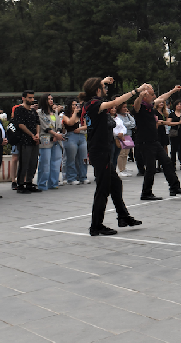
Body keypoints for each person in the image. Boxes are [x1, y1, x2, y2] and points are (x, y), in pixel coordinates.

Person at [80, 77, 145, 236]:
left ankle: (123, 217)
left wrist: (103, 80)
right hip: (100, 152)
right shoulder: (95, 104)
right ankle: (96, 226)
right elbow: (115, 102)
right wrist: (136, 91)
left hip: (100, 151)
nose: (106, 89)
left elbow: (102, 96)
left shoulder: (89, 104)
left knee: (115, 184)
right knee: (103, 189)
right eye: (103, 87)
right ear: (97, 90)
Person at [133, 84, 181, 200]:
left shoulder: (150, 106)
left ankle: (174, 187)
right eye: (152, 94)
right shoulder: (140, 108)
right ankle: (146, 193)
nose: (155, 96)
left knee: (167, 162)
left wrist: (173, 90)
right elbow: (136, 105)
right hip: (144, 142)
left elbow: (162, 97)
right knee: (151, 168)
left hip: (154, 141)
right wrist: (139, 96)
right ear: (145, 96)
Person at [13, 90, 41, 193]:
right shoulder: (19, 110)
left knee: (33, 163)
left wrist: (37, 134)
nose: (32, 100)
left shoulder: (33, 111)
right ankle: (20, 184)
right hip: (24, 140)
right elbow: (20, 124)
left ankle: (29, 182)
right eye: (29, 98)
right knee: (24, 163)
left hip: (34, 141)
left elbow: (38, 123)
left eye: (33, 98)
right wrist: (32, 135)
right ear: (23, 98)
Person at [37, 94, 65, 191]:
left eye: (52, 99)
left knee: (56, 162)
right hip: (46, 139)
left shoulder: (55, 112)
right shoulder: (40, 112)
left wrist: (57, 134)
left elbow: (59, 125)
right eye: (48, 99)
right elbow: (45, 126)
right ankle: (42, 184)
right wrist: (55, 135)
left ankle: (53, 182)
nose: (51, 100)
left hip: (56, 140)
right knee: (45, 162)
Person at [62, 99, 89, 185]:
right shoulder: (65, 115)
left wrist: (80, 129)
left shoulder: (82, 115)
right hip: (71, 136)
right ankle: (71, 178)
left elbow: (86, 126)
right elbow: (70, 123)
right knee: (71, 158)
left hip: (81, 136)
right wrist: (74, 113)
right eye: (73, 105)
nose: (75, 106)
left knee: (83, 158)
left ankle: (83, 176)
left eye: (77, 104)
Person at [116, 102, 136, 176]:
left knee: (126, 153)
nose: (125, 108)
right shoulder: (117, 116)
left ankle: (124, 168)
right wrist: (128, 124)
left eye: (126, 107)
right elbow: (121, 124)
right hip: (121, 136)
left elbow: (133, 123)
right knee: (121, 153)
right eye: (123, 107)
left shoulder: (127, 115)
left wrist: (127, 123)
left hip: (128, 135)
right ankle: (120, 169)